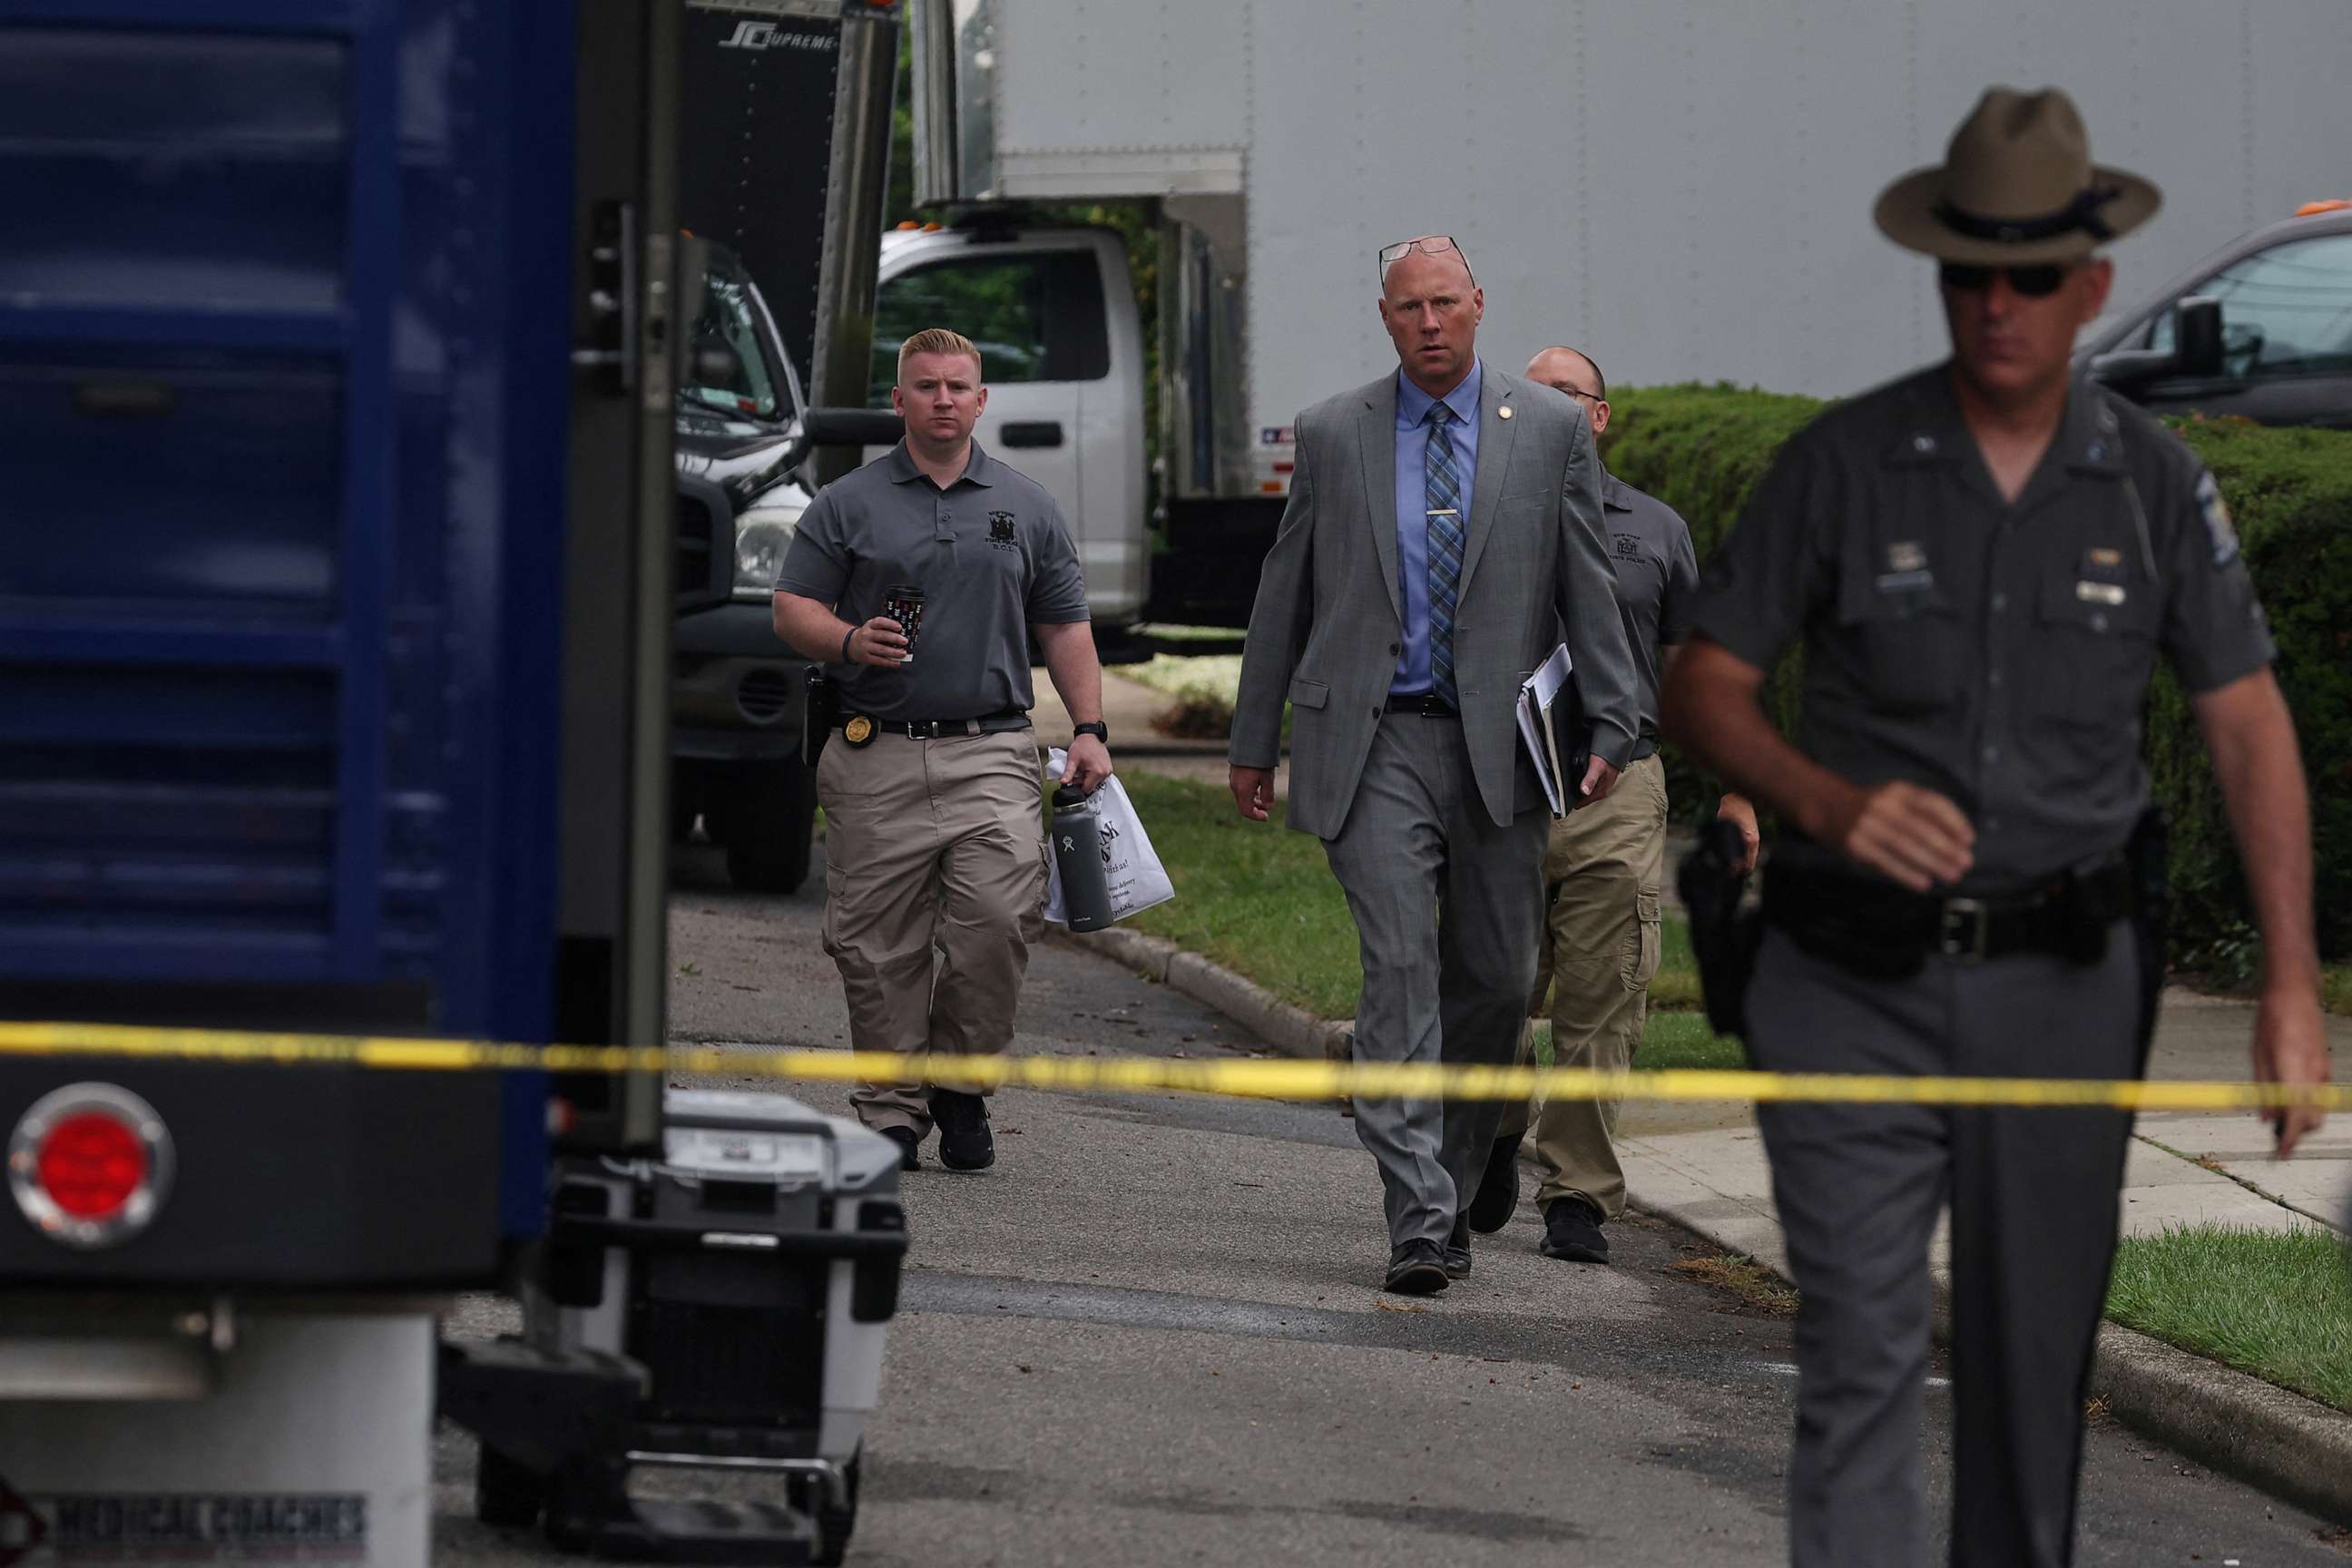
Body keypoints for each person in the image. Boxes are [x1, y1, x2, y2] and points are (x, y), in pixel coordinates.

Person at [1661, 88, 2332, 1566]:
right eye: (1972, 270)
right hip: (1846, 976)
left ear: (2091, 284)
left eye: (2032, 272)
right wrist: (1824, 798)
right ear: (1941, 277)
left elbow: (2245, 718)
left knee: (2034, 1385)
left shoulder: (2154, 483)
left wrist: (2287, 980)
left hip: (2061, 987)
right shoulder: (1843, 462)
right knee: (1854, 1352)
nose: (1999, 303)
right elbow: (1702, 679)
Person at [1228, 236, 1641, 1295]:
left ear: (1479, 305)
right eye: (1410, 307)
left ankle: (1454, 1186)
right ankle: (1416, 1212)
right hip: (1374, 739)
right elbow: (1285, 595)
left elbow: (1586, 584)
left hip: (1501, 745)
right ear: (1384, 316)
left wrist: (1613, 722)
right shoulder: (1334, 433)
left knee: (1496, 983)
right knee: (1400, 965)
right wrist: (1252, 738)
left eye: (1446, 303)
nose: (1430, 323)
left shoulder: (1548, 430)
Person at [772, 327, 1113, 1173]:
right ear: (900, 401)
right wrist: (851, 641)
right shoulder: (846, 503)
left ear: (982, 398)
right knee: (875, 942)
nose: (943, 399)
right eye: (925, 386)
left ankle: (960, 1084)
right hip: (873, 749)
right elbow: (790, 610)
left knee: (997, 921)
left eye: (958, 386)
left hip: (992, 748)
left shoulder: (1027, 505)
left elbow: (1064, 624)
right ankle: (892, 1111)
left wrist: (1090, 728)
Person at [1464, 346, 1758, 1264]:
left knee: (1604, 997)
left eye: (1562, 395)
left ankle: (1578, 1196)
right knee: (1489, 989)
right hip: (1498, 788)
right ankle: (1498, 1128)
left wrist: (1741, 792)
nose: (1541, 409)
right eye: (1526, 397)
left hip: (1616, 787)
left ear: (1598, 416)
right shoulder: (1473, 515)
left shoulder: (1658, 531)